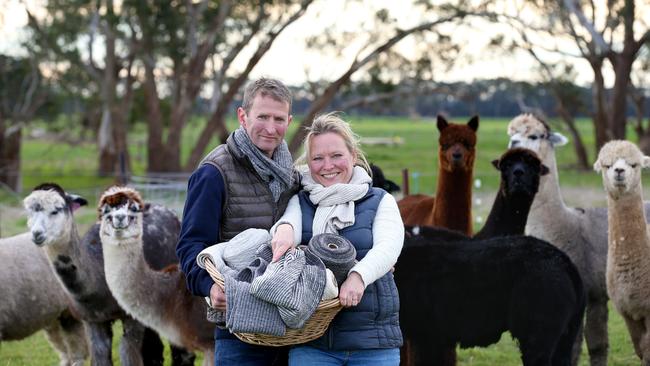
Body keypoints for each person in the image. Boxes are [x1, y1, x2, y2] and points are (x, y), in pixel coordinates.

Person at [176, 77, 300, 366]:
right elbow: (190, 245)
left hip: (291, 324)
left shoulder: (290, 173)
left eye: (279, 119)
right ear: (243, 116)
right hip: (238, 328)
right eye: (263, 116)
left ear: (289, 121)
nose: (271, 128)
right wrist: (209, 287)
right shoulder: (214, 172)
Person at [270, 112, 404, 365]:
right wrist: (284, 230)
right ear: (308, 164)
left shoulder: (379, 200)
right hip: (314, 344)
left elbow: (388, 248)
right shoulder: (301, 202)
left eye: (336, 156)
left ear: (353, 156)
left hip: (372, 343)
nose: (328, 165)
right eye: (318, 158)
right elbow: (287, 226)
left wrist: (358, 276)